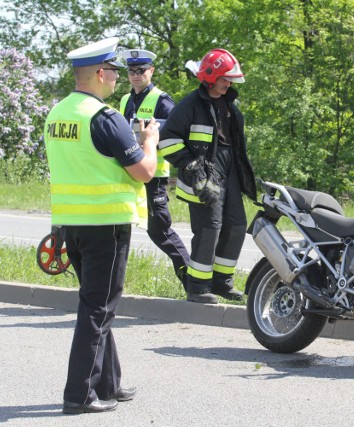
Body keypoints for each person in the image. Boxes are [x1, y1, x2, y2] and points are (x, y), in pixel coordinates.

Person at [44, 37, 159, 414]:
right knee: (98, 309)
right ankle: (78, 395)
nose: (117, 78)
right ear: (98, 73)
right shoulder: (103, 117)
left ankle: (108, 383)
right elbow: (143, 172)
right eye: (112, 70)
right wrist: (150, 141)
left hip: (72, 223)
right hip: (105, 224)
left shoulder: (58, 113)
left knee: (95, 303)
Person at [159, 48, 256, 304]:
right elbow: (167, 139)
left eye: (230, 79)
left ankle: (222, 282)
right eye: (224, 78)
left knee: (236, 227)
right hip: (202, 176)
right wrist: (191, 166)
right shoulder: (191, 104)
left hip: (229, 172)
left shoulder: (231, 107)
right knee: (209, 228)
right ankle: (197, 287)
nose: (228, 83)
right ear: (210, 76)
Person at [119, 48, 190, 287]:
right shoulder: (125, 100)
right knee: (119, 228)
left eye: (141, 70)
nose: (136, 75)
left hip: (154, 176)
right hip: (130, 174)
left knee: (159, 230)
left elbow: (176, 134)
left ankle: (192, 281)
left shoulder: (162, 100)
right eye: (131, 71)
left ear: (151, 71)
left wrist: (150, 140)